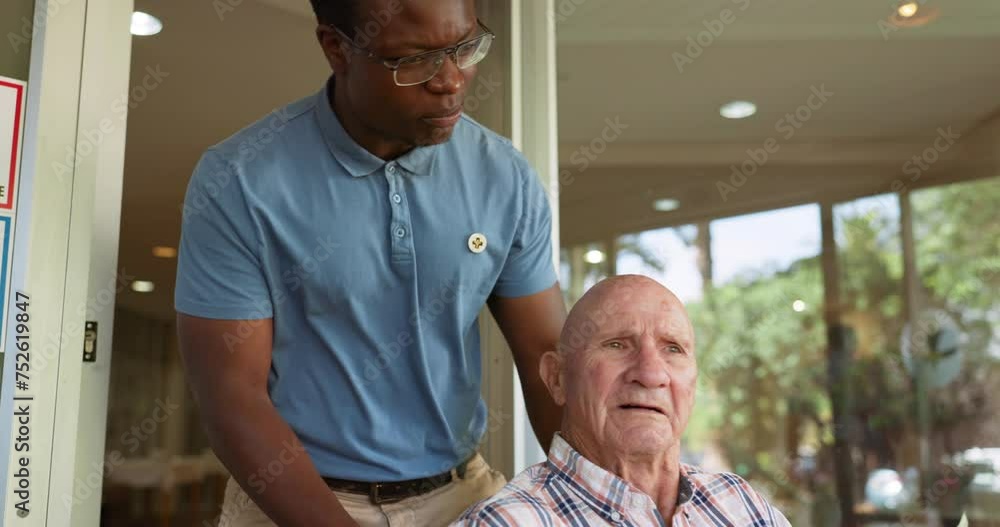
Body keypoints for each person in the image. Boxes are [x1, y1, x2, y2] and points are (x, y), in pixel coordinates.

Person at [173, 0, 566, 525]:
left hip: (459, 496)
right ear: (336, 47)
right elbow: (231, 398)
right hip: (291, 499)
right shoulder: (240, 181)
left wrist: (598, 500)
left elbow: (549, 362)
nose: (451, 81)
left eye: (464, 47)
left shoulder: (505, 177)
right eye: (416, 59)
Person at [454, 275, 792, 526]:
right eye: (616, 344)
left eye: (672, 348)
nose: (650, 373)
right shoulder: (507, 521)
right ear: (557, 378)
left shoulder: (739, 503)